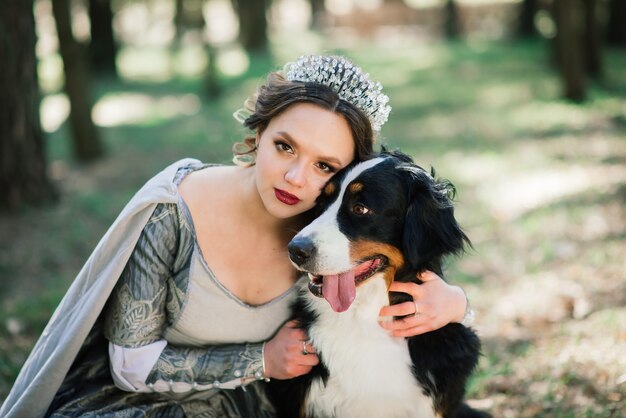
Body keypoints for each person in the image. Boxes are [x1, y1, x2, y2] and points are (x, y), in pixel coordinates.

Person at [0, 55, 472, 417]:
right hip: (133, 402)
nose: (294, 177)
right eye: (284, 146)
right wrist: (261, 359)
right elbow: (130, 365)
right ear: (258, 132)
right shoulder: (174, 210)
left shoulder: (325, 234)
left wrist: (458, 304)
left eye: (324, 166)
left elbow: (405, 266)